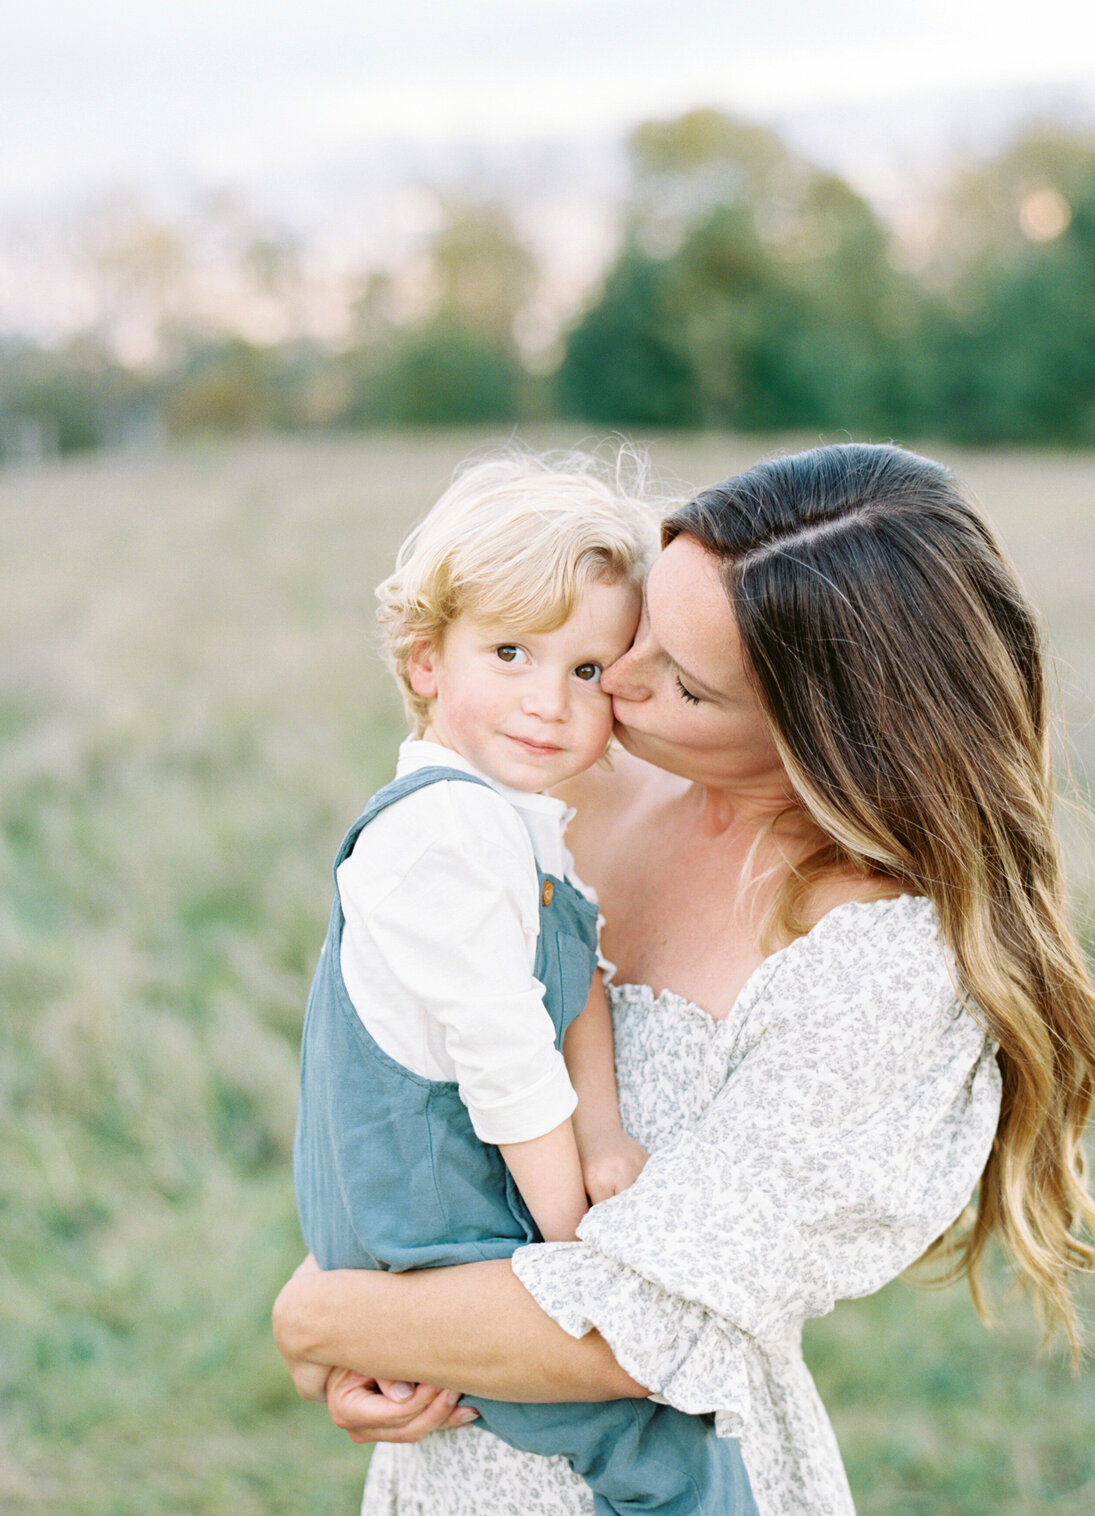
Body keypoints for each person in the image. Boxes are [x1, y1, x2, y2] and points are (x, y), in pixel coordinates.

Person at [275, 442, 1095, 1516]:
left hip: (666, 1480)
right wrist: (363, 1301)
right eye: (638, 631)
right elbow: (396, 1070)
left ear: (825, 737)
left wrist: (318, 1316)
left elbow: (634, 1327)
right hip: (447, 1463)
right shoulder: (560, 788)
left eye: (678, 679)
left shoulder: (883, 966)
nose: (613, 684)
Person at [292, 453, 758, 1514]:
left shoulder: (519, 821)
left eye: (590, 670)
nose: (551, 702)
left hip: (454, 1216)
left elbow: (577, 976)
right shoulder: (448, 834)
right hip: (430, 1233)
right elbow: (508, 1063)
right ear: (423, 661)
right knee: (667, 1455)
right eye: (510, 652)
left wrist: (602, 1136)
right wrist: (573, 1248)